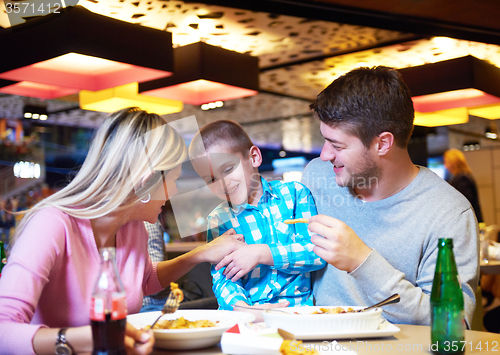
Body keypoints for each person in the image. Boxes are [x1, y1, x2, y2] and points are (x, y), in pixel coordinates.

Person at [0, 107, 245, 355]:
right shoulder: (51, 224)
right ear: (146, 180)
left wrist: (200, 254)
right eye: (173, 180)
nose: (172, 194)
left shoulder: (134, 227)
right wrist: (79, 340)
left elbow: (145, 281)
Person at [301, 66, 479, 326]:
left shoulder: (448, 213)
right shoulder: (318, 177)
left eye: (337, 145)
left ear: (383, 143)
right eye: (325, 141)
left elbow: (452, 325)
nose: (325, 155)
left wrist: (363, 262)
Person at [189, 120, 326, 320]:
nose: (223, 183)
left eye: (227, 169)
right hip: (247, 316)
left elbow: (316, 253)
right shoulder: (219, 219)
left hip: (297, 314)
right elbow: (223, 279)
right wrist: (243, 308)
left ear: (254, 157)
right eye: (211, 179)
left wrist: (262, 253)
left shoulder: (295, 194)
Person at [443, 148, 483, 222]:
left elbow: (464, 203)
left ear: (454, 162)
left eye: (447, 162)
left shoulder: (462, 178)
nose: (445, 166)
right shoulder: (463, 176)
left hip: (467, 221)